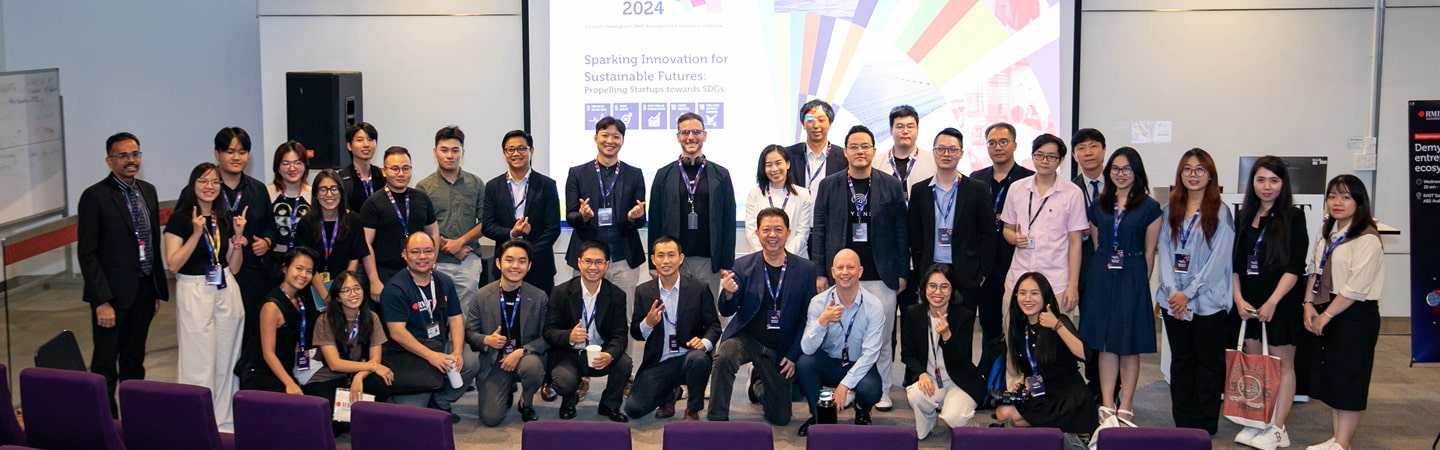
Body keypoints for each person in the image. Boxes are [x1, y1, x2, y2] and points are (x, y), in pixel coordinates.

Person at [810, 124, 909, 411]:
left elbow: (901, 231)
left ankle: (883, 389)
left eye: (865, 146)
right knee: (842, 335)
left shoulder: (890, 184)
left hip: (881, 274)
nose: (860, 151)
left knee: (883, 336)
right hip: (841, 276)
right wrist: (820, 271)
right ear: (845, 152)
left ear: (874, 151)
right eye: (854, 146)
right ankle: (847, 386)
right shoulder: (829, 185)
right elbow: (820, 230)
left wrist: (902, 271)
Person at [78, 132, 168, 413]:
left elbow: (151, 242)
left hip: (143, 291)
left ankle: (134, 417)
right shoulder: (95, 196)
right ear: (109, 160)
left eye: (135, 154)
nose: (131, 160)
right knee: (105, 365)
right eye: (123, 155)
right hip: (112, 296)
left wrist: (155, 289)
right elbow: (88, 254)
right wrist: (102, 301)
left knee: (134, 361)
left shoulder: (148, 191)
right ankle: (106, 423)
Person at [710, 207, 818, 424]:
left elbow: (808, 318)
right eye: (766, 230)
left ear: (788, 232)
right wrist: (728, 294)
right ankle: (717, 418)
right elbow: (727, 310)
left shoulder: (806, 269)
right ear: (757, 233)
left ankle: (757, 384)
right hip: (749, 337)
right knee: (724, 356)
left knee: (780, 418)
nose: (772, 235)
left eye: (778, 229)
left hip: (781, 345)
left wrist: (794, 354)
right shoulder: (743, 265)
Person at [1079, 147, 1162, 427]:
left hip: (1132, 277)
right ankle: (1107, 403)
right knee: (1105, 343)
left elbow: (1149, 252)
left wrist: (1139, 284)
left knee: (1128, 344)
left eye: (1127, 169)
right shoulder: (1099, 204)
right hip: (1101, 277)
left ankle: (1126, 404)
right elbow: (1097, 243)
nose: (1121, 174)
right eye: (1115, 169)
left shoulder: (1150, 207)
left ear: (1136, 172)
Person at [1231, 155, 1309, 450]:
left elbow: (1295, 266)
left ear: (1283, 184)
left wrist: (1273, 301)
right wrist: (1238, 299)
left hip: (1281, 304)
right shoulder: (1243, 216)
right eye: (1261, 180)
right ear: (1252, 182)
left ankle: (1278, 427)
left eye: (1274, 181)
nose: (1267, 186)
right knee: (1255, 366)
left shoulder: (1294, 217)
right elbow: (1234, 265)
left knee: (1282, 365)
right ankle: (1259, 421)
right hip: (1248, 305)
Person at [1154, 148, 1234, 435]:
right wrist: (1174, 293)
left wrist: (1188, 293)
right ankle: (1183, 422)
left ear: (1210, 175)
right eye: (1187, 169)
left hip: (1208, 302)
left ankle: (1204, 425)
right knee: (1182, 362)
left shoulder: (1221, 212)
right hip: (1173, 301)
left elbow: (1219, 260)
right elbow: (1164, 253)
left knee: (1208, 364)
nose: (1193, 174)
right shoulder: (1169, 209)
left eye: (1200, 169)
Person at [1302, 175, 1384, 450]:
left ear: (1359, 202)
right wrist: (1308, 304)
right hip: (1327, 307)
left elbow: (1355, 288)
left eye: (1346, 197)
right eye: (1333, 196)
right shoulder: (1328, 230)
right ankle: (1337, 438)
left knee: (1350, 378)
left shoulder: (1367, 237)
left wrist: (1326, 316)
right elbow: (1315, 269)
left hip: (1354, 315)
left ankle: (1343, 443)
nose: (1337, 202)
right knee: (1334, 376)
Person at [163, 162, 247, 432]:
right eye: (203, 181)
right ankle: (196, 421)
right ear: (192, 184)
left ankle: (223, 419)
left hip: (225, 285)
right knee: (198, 359)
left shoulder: (224, 217)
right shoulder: (180, 219)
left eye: (214, 182)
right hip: (195, 288)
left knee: (227, 357)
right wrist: (196, 234)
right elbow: (173, 264)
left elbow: (234, 266)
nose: (209, 186)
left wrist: (238, 239)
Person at [908, 128, 997, 345]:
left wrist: (983, 271)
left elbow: (988, 233)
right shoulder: (920, 190)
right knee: (930, 331)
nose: (946, 154)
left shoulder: (977, 189)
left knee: (962, 333)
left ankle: (961, 368)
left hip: (966, 271)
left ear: (961, 153)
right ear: (934, 152)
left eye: (952, 149)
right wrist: (920, 271)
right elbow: (914, 235)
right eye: (941, 149)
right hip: (931, 270)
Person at [380, 233, 477, 421]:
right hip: (410, 352)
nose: (422, 257)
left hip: (440, 345)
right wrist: (431, 356)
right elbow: (397, 333)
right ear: (404, 254)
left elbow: (456, 319)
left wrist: (457, 352)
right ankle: (422, 396)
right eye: (415, 252)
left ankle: (440, 400)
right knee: (413, 418)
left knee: (470, 361)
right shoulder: (395, 288)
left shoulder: (444, 281)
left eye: (428, 251)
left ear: (435, 253)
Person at [624, 236, 721, 421]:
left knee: (699, 359)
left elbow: (714, 326)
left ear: (681, 258)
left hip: (688, 358)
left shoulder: (698, 288)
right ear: (653, 260)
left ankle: (692, 409)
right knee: (633, 409)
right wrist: (648, 323)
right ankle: (670, 394)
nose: (666, 261)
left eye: (671, 255)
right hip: (658, 362)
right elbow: (636, 333)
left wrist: (704, 342)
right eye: (660, 256)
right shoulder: (643, 291)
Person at [796, 249, 886, 435]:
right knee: (804, 363)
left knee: (871, 389)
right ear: (833, 272)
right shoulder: (819, 302)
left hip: (858, 362)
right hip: (829, 362)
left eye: (850, 268)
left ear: (860, 271)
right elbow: (806, 348)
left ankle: (862, 411)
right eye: (840, 268)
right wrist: (822, 321)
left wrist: (844, 386)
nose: (845, 272)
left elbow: (870, 354)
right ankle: (818, 414)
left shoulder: (874, 306)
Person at [564, 117, 647, 317]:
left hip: (623, 258)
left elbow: (640, 219)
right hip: (588, 259)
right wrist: (583, 216)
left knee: (624, 317)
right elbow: (570, 216)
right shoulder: (577, 173)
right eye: (605, 135)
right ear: (596, 138)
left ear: (622, 140)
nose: (610, 141)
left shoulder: (634, 174)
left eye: (616, 136)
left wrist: (634, 217)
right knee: (584, 315)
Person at [993, 272, 1096, 434]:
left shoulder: (1059, 320)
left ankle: (1057, 428)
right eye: (1022, 293)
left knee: (1012, 417)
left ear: (1045, 296)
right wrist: (1025, 383)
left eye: (1034, 293)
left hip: (1067, 395)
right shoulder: (1019, 328)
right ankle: (1052, 430)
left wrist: (1057, 326)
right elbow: (1028, 368)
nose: (1028, 299)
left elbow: (1085, 355)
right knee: (1002, 413)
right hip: (1041, 392)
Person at [213, 127, 279, 376]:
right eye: (230, 151)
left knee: (250, 332)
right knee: (218, 335)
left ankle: (246, 383)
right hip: (216, 275)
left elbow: (271, 227)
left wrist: (268, 242)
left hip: (252, 274)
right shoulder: (206, 187)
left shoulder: (257, 189)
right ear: (217, 153)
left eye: (242, 152)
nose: (236, 157)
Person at [544, 240, 634, 422]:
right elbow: (549, 331)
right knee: (563, 381)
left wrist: (609, 354)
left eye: (599, 262)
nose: (593, 267)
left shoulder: (616, 295)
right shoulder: (561, 292)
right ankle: (569, 402)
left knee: (624, 363)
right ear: (579, 263)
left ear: (606, 265)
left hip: (601, 353)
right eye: (588, 261)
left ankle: (610, 405)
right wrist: (569, 336)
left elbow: (620, 335)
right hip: (570, 354)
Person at [1001, 134, 1086, 322]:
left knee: (1056, 337)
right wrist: (1014, 238)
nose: (1044, 161)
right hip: (1018, 279)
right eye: (1039, 155)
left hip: (1056, 282)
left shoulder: (1072, 193)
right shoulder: (1016, 188)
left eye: (1051, 156)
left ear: (1061, 160)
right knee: (1014, 335)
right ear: (1033, 157)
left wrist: (1073, 286)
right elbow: (1007, 228)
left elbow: (1075, 243)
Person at [648, 113, 736, 296]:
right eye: (685, 132)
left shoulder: (721, 174)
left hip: (709, 260)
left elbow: (728, 221)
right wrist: (653, 263)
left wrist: (727, 262)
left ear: (704, 135)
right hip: (673, 260)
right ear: (678, 136)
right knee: (675, 309)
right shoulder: (663, 175)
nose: (690, 137)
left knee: (707, 309)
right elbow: (655, 221)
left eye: (696, 132)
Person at [971, 122, 1034, 375]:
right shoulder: (976, 179)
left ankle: (1019, 375)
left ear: (1015, 145)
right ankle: (990, 376)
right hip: (985, 264)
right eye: (992, 143)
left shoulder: (1028, 179)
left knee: (1018, 323)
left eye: (1003, 142)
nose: (998, 147)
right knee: (989, 324)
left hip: (1017, 261)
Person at [465, 239, 549, 425]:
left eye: (521, 261)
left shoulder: (539, 296)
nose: (515, 266)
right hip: (495, 360)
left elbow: (546, 336)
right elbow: (470, 332)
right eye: (509, 260)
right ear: (498, 263)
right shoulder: (481, 295)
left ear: (529, 266)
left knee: (532, 368)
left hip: (525, 357)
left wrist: (522, 351)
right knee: (491, 418)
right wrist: (486, 340)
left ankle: (526, 402)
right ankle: (507, 388)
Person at [902, 264, 986, 439]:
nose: (937, 292)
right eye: (932, 286)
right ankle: (929, 421)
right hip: (931, 379)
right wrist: (921, 374)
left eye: (944, 287)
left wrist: (947, 335)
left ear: (952, 289)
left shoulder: (964, 316)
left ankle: (969, 423)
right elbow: (908, 354)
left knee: (953, 417)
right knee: (916, 394)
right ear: (924, 288)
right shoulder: (913, 313)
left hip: (959, 381)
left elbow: (961, 360)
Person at [303, 271, 393, 432]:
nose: (353, 294)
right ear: (337, 297)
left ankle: (360, 421)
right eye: (346, 290)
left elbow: (376, 358)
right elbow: (334, 364)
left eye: (357, 288)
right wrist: (372, 367)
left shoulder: (372, 318)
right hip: (327, 377)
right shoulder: (325, 320)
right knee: (331, 416)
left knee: (382, 381)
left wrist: (359, 376)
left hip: (357, 373)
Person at [481, 129, 562, 295]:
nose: (516, 153)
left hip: (539, 265)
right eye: (511, 149)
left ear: (531, 151)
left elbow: (553, 229)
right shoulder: (493, 186)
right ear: (504, 153)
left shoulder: (547, 185)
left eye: (521, 148)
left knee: (541, 310)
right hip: (505, 265)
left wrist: (527, 255)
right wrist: (512, 233)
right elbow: (487, 226)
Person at [415, 126, 485, 313]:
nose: (449, 156)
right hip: (434, 260)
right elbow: (420, 227)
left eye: (455, 150)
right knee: (435, 313)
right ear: (435, 152)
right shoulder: (424, 187)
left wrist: (460, 243)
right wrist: (450, 247)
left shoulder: (476, 183)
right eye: (444, 150)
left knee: (467, 314)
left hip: (468, 259)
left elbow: (485, 222)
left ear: (463, 152)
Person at [362, 146, 440, 301]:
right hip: (385, 272)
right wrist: (374, 280)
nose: (401, 173)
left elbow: (433, 233)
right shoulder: (373, 203)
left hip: (419, 271)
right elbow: (366, 243)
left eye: (406, 168)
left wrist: (431, 263)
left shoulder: (422, 199)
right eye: (395, 169)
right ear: (384, 171)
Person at [242, 248, 323, 394]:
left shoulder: (300, 299)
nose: (303, 275)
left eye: (309, 271)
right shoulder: (272, 306)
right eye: (299, 268)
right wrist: (290, 383)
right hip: (262, 375)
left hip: (287, 371)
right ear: (285, 269)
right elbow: (268, 354)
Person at [1070, 128, 1108, 404]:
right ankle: (1093, 386)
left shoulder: (1120, 183)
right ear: (1074, 155)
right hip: (1083, 269)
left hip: (1114, 268)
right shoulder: (1069, 189)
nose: (1088, 153)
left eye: (1093, 146)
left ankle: (1111, 391)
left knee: (1112, 329)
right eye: (1081, 148)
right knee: (1088, 329)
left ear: (1103, 150)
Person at [294, 169, 370, 296]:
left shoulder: (354, 220)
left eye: (334, 189)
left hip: (344, 289)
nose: (329, 194)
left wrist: (343, 290)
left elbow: (354, 259)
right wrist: (325, 295)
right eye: (323, 189)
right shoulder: (305, 223)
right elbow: (305, 263)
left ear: (341, 192)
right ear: (316, 194)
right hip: (311, 287)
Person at [743, 145, 814, 256]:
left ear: (788, 164)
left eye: (778, 163)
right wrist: (767, 256)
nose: (774, 169)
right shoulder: (754, 195)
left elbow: (802, 234)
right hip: (761, 259)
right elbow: (751, 232)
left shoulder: (803, 195)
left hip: (795, 258)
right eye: (769, 165)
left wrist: (783, 257)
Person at [875, 105, 936, 203]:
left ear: (917, 129)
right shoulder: (876, 163)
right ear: (890, 130)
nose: (905, 131)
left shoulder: (933, 161)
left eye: (910, 127)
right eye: (900, 126)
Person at [265, 140, 312, 258]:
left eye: (297, 162)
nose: (292, 168)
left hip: (305, 259)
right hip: (272, 259)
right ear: (278, 167)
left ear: (305, 166)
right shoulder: (265, 193)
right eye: (286, 163)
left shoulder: (314, 195)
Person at [786, 99, 846, 189]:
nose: (816, 126)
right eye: (810, 120)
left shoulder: (843, 157)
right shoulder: (788, 155)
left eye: (821, 120)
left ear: (830, 124)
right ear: (803, 124)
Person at [339, 122, 385, 213]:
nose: (366, 144)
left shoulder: (382, 176)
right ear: (349, 146)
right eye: (360, 140)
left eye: (370, 139)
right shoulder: (342, 178)